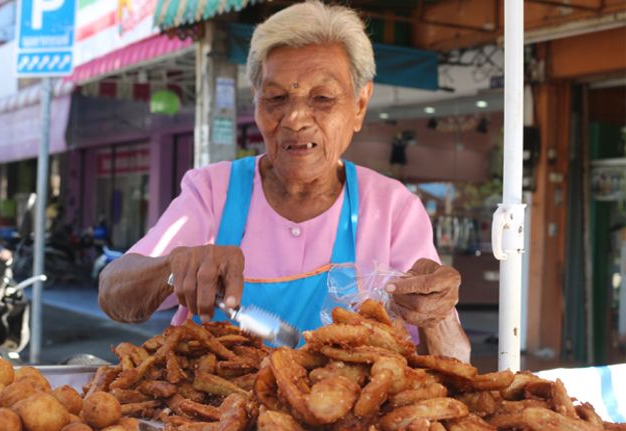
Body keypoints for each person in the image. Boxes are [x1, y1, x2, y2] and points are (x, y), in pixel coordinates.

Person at [99, 0, 470, 361]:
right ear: (257, 102)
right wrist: (172, 266)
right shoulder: (213, 191)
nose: (294, 118)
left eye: (322, 98)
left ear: (359, 104)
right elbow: (114, 293)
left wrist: (435, 314)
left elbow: (455, 362)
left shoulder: (393, 208)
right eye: (276, 97)